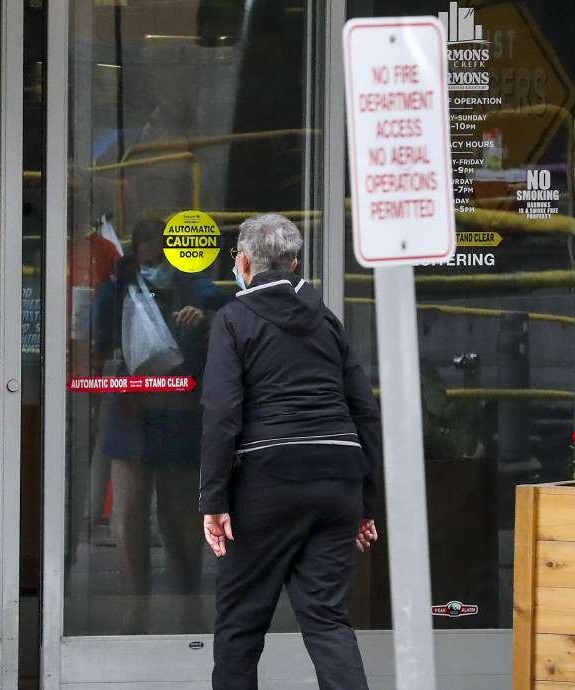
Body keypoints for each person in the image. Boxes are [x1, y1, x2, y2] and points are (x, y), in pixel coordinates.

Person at [199, 213, 381, 689]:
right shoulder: (327, 321)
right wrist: (366, 503)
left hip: (267, 483)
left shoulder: (233, 321)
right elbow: (364, 410)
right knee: (326, 617)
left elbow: (222, 414)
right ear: (296, 263)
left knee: (240, 623)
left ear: (242, 261)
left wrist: (214, 501)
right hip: (338, 482)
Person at [92, 218, 229, 633]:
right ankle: (136, 612)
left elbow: (225, 313)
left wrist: (203, 319)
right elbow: (100, 339)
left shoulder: (198, 287)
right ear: (135, 247)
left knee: (181, 518)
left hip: (179, 414)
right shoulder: (117, 288)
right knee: (130, 515)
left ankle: (188, 608)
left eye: (161, 243)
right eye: (145, 242)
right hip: (133, 413)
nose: (153, 251)